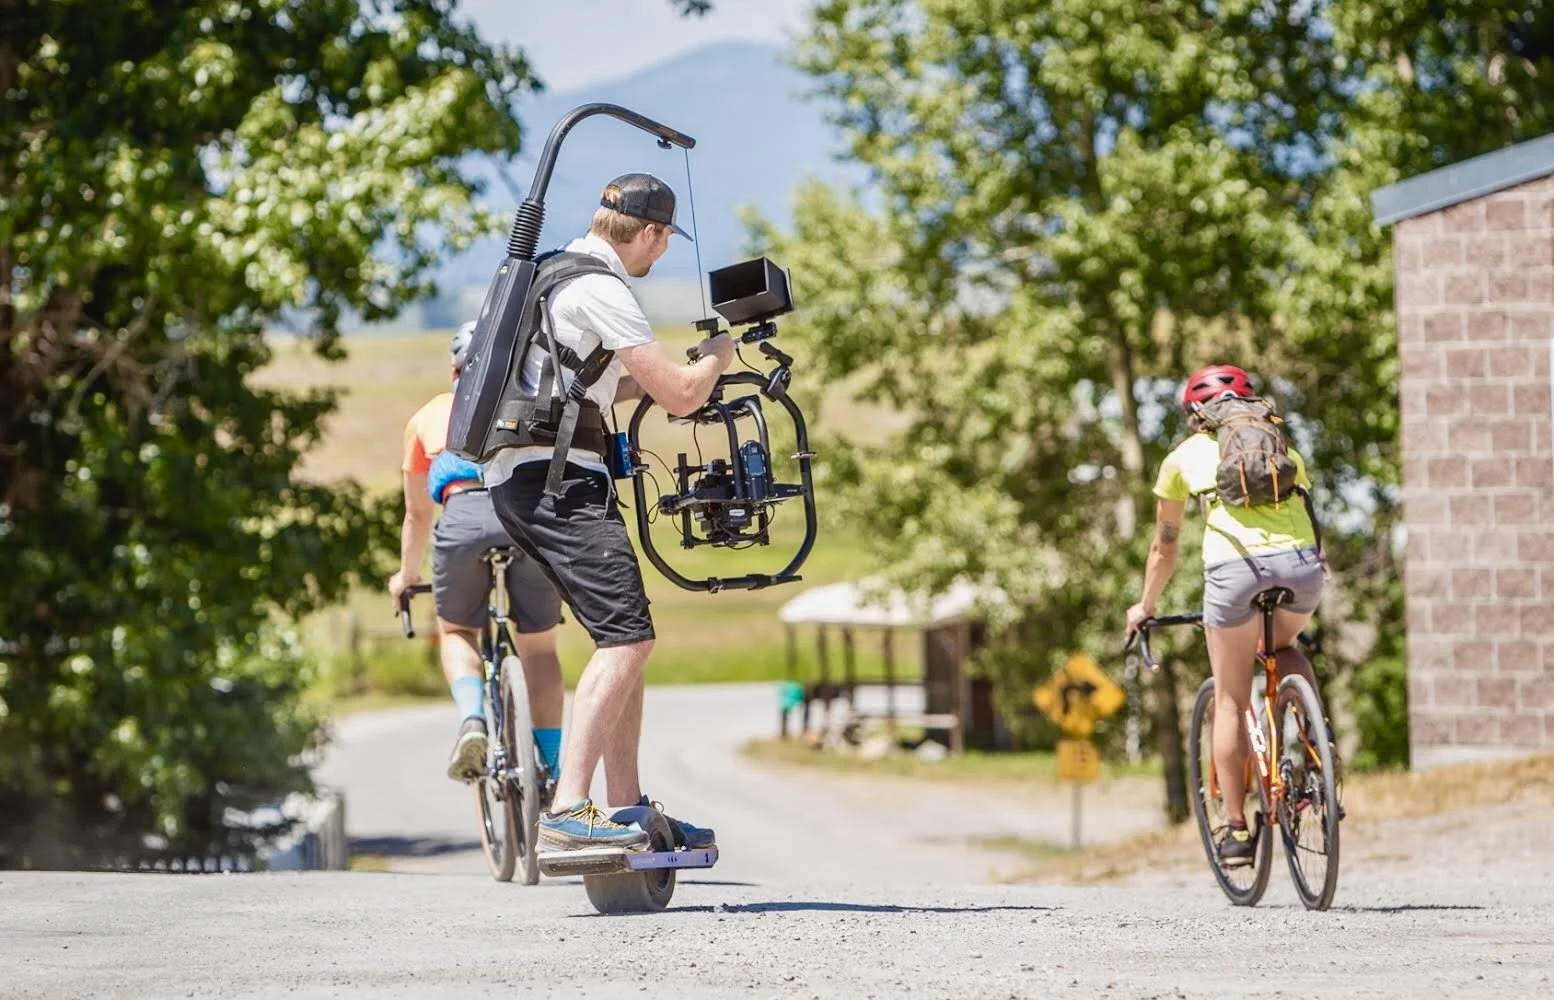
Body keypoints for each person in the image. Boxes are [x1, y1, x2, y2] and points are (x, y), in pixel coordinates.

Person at [483, 172, 732, 853]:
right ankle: (569, 808)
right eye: (664, 239)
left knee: (623, 636)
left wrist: (667, 379)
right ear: (649, 232)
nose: (663, 252)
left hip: (529, 474)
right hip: (558, 480)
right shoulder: (603, 288)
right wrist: (715, 360)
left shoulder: (555, 271)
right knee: (628, 640)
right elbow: (681, 397)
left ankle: (625, 808)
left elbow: (587, 387)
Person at [1125, 364, 1330, 868]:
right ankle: (1314, 756)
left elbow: (1164, 546)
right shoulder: (1283, 448)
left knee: (1232, 699)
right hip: (1302, 568)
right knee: (1284, 648)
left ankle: (1237, 830)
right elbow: (1308, 515)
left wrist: (1146, 606)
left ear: (1195, 413)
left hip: (1234, 573)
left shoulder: (1181, 459)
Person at [389, 323, 568, 786]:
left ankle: (473, 719)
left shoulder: (429, 415)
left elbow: (416, 516)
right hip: (528, 517)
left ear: (456, 371)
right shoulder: (532, 402)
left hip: (463, 517)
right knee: (540, 648)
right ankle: (552, 768)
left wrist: (406, 575)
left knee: (456, 631)